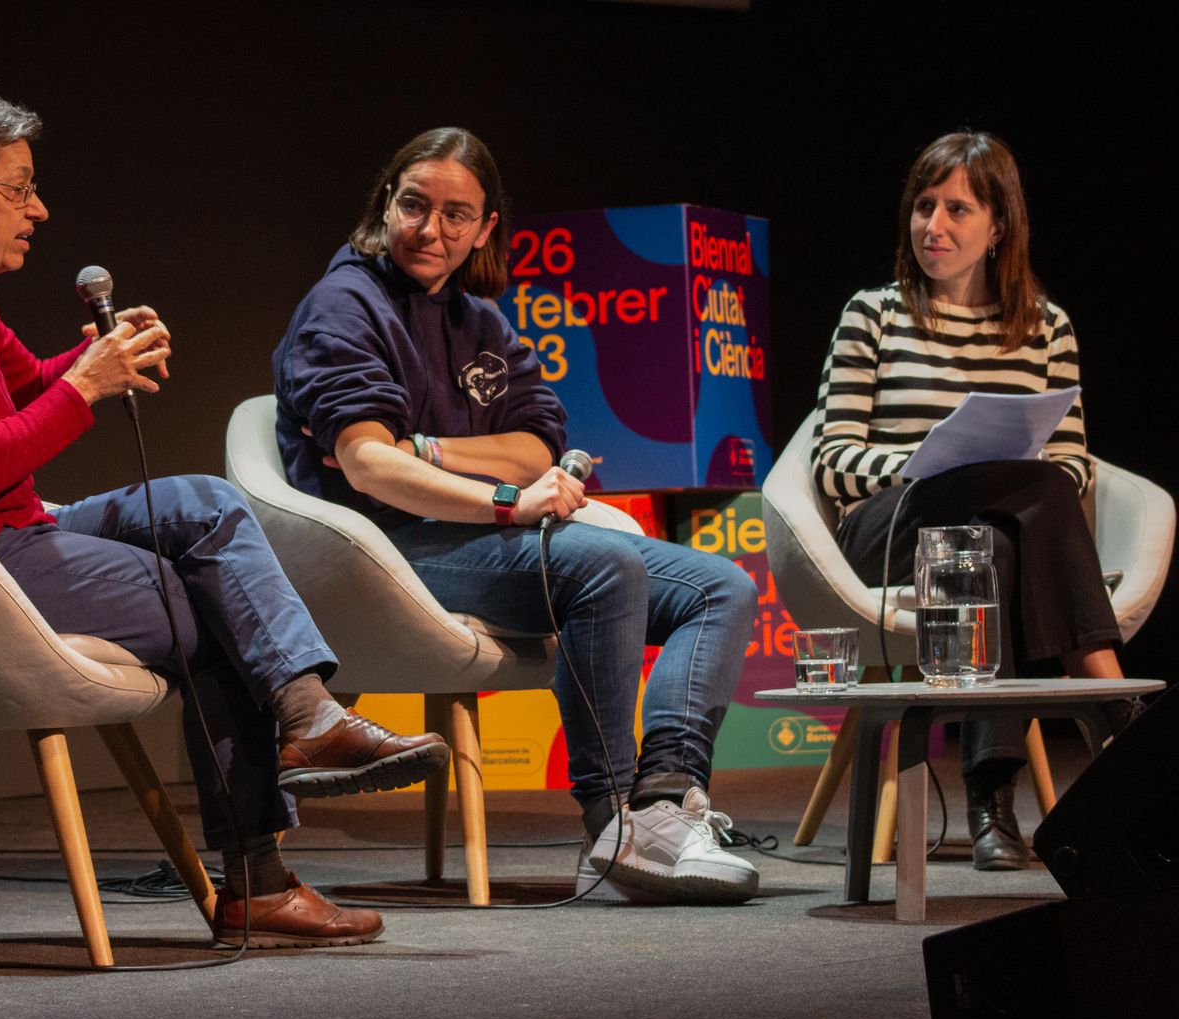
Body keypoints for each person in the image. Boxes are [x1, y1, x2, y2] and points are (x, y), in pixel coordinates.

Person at [0, 91, 450, 947]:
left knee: (205, 505)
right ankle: (258, 875)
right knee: (213, 597)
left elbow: (27, 386)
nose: (37, 209)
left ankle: (307, 717)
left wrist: (98, 355)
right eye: (19, 189)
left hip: (16, 536)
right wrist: (90, 384)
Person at [273, 128, 761, 904]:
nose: (432, 231)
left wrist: (427, 450)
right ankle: (611, 822)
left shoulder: (478, 318)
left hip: (468, 538)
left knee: (721, 588)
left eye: (457, 215)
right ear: (385, 204)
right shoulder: (343, 306)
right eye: (414, 206)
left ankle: (665, 798)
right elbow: (367, 465)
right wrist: (504, 498)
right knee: (604, 565)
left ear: (488, 226)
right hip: (384, 554)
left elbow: (536, 446)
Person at [811, 131, 1126, 871]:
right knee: (997, 499)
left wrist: (987, 479)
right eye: (924, 206)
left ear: (1000, 227)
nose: (934, 226)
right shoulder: (874, 314)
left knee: (989, 540)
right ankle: (1112, 701)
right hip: (886, 531)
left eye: (957, 208)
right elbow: (832, 464)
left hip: (971, 537)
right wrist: (928, 464)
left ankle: (992, 804)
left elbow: (1073, 465)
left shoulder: (1047, 327)